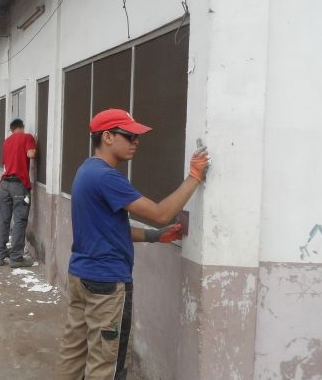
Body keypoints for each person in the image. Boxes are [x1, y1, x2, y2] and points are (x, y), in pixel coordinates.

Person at [56, 108, 210, 380]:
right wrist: (194, 177)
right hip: (106, 283)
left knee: (73, 356)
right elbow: (161, 213)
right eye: (129, 136)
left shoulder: (86, 170)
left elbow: (110, 229)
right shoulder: (107, 177)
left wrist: (154, 236)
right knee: (107, 365)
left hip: (81, 277)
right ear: (107, 137)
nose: (136, 142)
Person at [0, 119, 37, 268]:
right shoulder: (27, 137)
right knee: (20, 220)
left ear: (12, 130)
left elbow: (6, 162)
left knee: (4, 220)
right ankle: (16, 258)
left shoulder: (6, 142)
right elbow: (31, 154)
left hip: (5, 185)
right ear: (22, 127)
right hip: (20, 186)